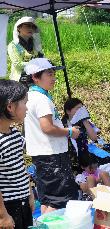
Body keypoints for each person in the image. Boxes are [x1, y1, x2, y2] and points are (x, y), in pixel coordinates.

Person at [24, 58, 79, 214]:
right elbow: (47, 127)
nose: (54, 78)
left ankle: (43, 224)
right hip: (52, 156)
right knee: (59, 200)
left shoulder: (31, 97)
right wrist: (70, 132)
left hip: (41, 155)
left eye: (54, 74)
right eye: (49, 74)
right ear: (35, 77)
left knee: (47, 198)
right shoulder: (41, 100)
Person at [0, 80, 34, 229]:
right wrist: (3, 215)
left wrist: (30, 193)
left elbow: (21, 167)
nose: (27, 108)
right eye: (24, 103)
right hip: (7, 207)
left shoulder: (15, 135)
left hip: (23, 201)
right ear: (10, 106)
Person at [62, 98, 100, 170]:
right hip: (70, 159)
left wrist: (85, 121)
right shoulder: (62, 125)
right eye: (78, 109)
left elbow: (94, 138)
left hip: (84, 156)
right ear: (68, 111)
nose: (81, 111)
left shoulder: (84, 122)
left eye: (82, 109)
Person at [7, 16, 43, 82]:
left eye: (33, 27)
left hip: (35, 77)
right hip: (20, 80)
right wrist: (36, 63)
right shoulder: (13, 45)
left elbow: (41, 58)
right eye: (28, 26)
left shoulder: (35, 44)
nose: (31, 28)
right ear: (19, 28)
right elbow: (17, 64)